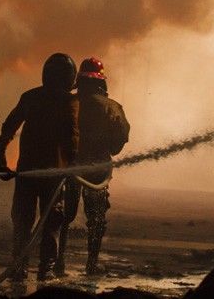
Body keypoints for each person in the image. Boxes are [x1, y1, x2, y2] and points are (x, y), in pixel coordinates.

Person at [0, 53, 79, 281]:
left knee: (23, 220)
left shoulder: (30, 96)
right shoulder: (70, 102)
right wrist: (71, 167)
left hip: (27, 171)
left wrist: (1, 152)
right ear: (69, 78)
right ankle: (46, 269)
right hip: (53, 173)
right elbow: (72, 136)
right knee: (51, 221)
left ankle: (19, 266)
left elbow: (9, 125)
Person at [61, 57, 130, 276]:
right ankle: (91, 264)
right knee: (96, 218)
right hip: (98, 169)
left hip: (68, 168)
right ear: (102, 82)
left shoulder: (67, 104)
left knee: (62, 216)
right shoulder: (112, 107)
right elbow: (118, 143)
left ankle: (56, 262)